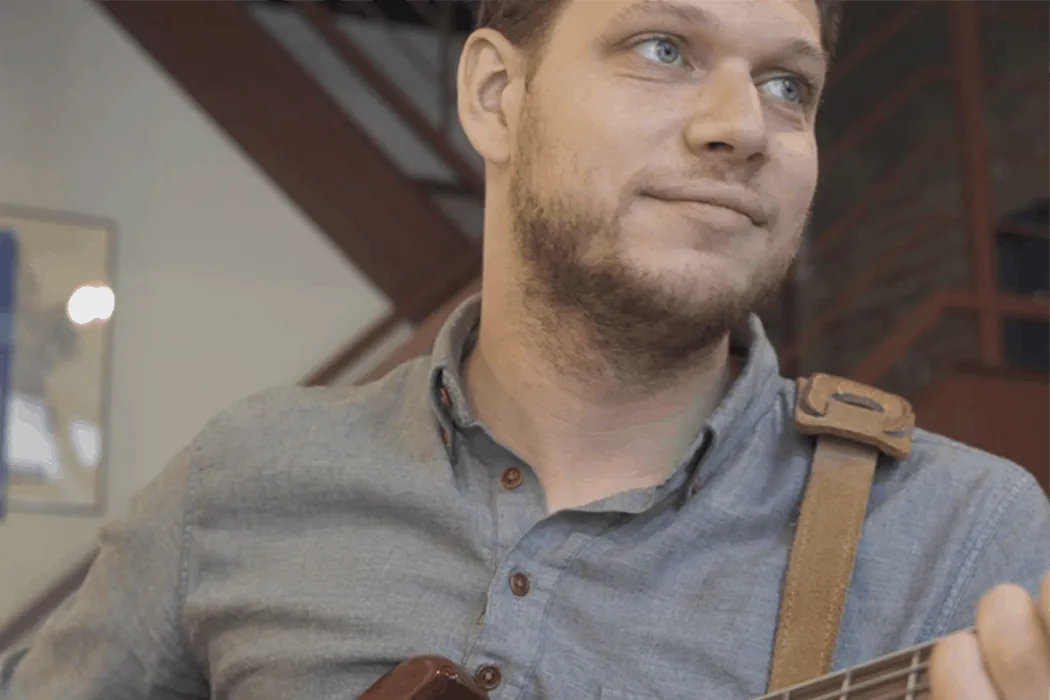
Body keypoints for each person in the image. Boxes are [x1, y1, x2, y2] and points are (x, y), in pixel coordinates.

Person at [5, 0, 1050, 697]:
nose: (743, 126)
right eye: (664, 48)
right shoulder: (245, 479)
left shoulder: (964, 539)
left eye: (790, 85)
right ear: (496, 97)